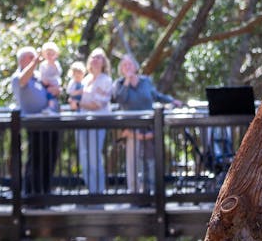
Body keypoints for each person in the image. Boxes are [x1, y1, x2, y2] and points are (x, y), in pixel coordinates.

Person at [113, 54, 182, 193]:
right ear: (121, 69)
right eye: (125, 65)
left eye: (130, 64)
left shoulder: (146, 81)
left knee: (150, 161)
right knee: (133, 163)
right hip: (132, 130)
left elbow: (156, 96)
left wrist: (172, 101)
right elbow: (121, 99)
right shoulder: (119, 84)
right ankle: (134, 193)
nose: (128, 67)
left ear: (136, 66)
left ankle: (150, 192)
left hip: (149, 127)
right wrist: (127, 80)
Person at [10, 45, 61, 195]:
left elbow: (53, 87)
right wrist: (35, 62)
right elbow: (22, 79)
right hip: (34, 125)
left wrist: (57, 90)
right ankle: (32, 194)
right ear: (22, 60)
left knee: (49, 159)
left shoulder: (38, 77)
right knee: (36, 160)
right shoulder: (18, 77)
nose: (35, 61)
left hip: (50, 122)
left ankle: (45, 193)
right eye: (31, 58)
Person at [75, 48, 113, 193]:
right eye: (93, 57)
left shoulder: (106, 80)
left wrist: (78, 104)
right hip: (81, 122)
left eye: (99, 57)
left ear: (104, 62)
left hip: (97, 123)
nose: (95, 60)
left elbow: (98, 105)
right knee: (83, 156)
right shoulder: (85, 79)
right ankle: (90, 190)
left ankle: (98, 192)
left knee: (94, 156)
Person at [38, 42, 63, 113]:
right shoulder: (43, 64)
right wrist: (44, 81)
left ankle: (51, 108)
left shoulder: (56, 64)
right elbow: (41, 75)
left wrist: (53, 64)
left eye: (52, 54)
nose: (50, 56)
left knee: (52, 96)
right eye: (48, 54)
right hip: (45, 83)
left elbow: (58, 73)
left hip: (54, 83)